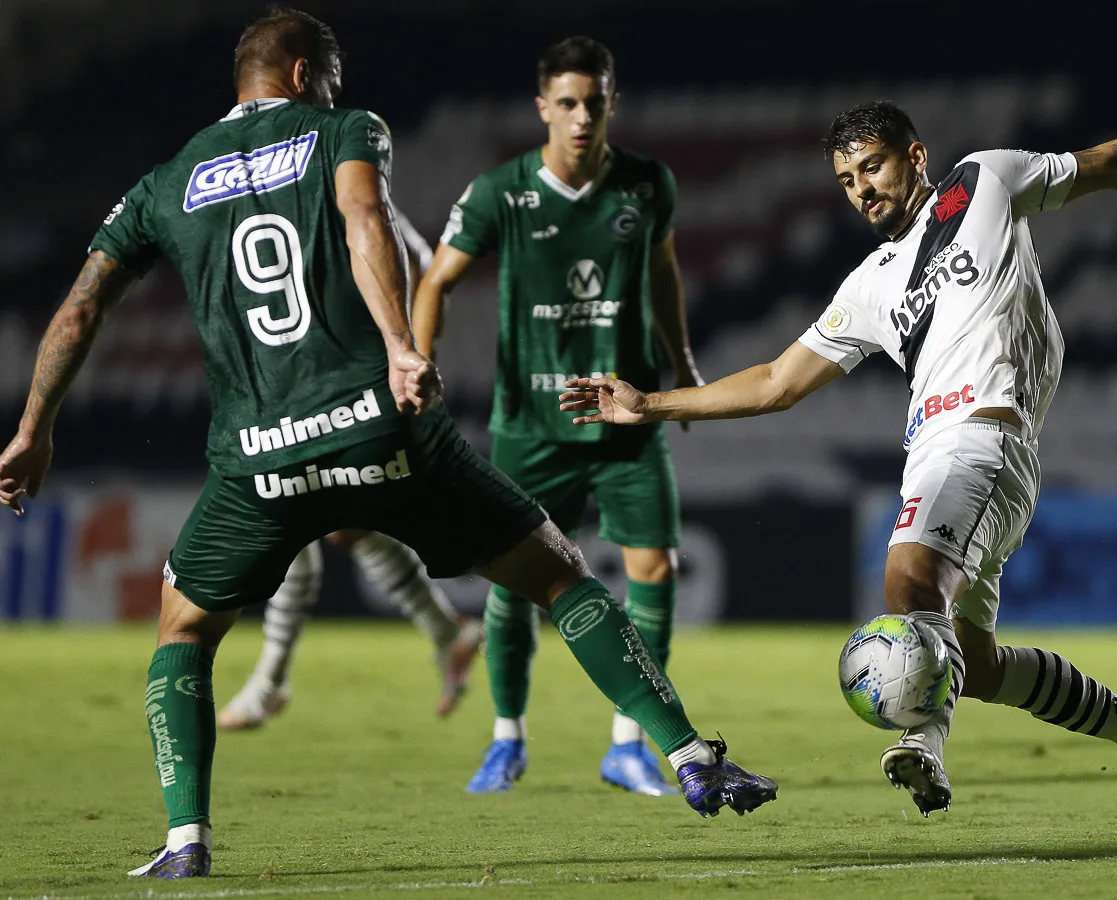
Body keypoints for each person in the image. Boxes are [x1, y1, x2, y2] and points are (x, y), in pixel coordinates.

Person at [0, 7, 775, 880]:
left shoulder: (164, 183)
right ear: (302, 76)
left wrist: (34, 430)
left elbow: (78, 309)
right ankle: (686, 754)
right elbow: (363, 214)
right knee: (558, 574)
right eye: (327, 79)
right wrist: (402, 345)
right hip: (381, 434)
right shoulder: (344, 129)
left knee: (182, 631)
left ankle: (186, 842)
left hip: (259, 462)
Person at [561, 98, 1117, 821]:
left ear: (914, 156)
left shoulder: (982, 182)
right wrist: (649, 404)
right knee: (975, 666)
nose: (862, 189)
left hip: (985, 434)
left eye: (873, 167)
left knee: (908, 582)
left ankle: (924, 741)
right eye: (848, 181)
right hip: (942, 454)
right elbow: (776, 383)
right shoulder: (870, 283)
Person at [412, 36, 702, 796]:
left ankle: (628, 744)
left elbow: (665, 274)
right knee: (513, 590)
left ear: (613, 103)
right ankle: (507, 738)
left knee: (655, 568)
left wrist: (684, 368)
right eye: (567, 103)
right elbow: (435, 281)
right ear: (543, 107)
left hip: (627, 421)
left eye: (594, 102)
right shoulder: (499, 192)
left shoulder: (647, 185)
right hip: (532, 426)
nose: (581, 117)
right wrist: (417, 362)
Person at [215, 213, 483, 730]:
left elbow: (425, 270)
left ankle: (270, 682)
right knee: (338, 527)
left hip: (348, 388)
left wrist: (403, 355)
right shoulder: (328, 197)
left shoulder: (349, 202)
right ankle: (447, 631)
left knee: (301, 518)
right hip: (321, 385)